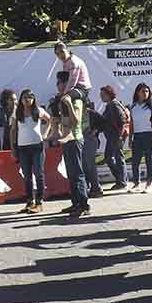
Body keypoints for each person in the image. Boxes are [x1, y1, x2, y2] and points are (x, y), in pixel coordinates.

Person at [49, 78, 89, 218]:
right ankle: (75, 203)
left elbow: (76, 120)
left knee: (77, 172)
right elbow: (59, 120)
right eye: (58, 83)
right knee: (71, 174)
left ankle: (84, 205)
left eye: (62, 83)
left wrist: (68, 104)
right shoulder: (59, 100)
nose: (60, 86)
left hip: (75, 138)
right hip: (66, 139)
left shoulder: (75, 99)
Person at [11, 89, 50, 213]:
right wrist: (13, 148)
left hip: (37, 146)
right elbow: (13, 131)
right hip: (23, 148)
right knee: (27, 176)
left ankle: (39, 202)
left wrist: (45, 134)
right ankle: (29, 201)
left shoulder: (38, 110)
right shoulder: (17, 113)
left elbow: (49, 120)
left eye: (30, 97)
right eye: (25, 97)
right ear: (21, 99)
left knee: (38, 174)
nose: (27, 99)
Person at [128, 83, 152, 193]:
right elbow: (131, 124)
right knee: (135, 162)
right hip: (137, 136)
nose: (145, 93)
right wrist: (130, 138)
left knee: (149, 160)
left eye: (147, 91)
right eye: (143, 91)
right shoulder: (133, 106)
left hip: (148, 135)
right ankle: (136, 184)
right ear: (137, 92)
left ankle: (149, 185)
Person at [54, 42, 92, 126]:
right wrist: (60, 93)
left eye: (62, 52)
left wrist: (64, 93)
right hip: (74, 88)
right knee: (55, 101)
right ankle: (56, 130)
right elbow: (65, 80)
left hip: (82, 89)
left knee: (65, 99)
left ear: (68, 50)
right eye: (57, 54)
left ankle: (68, 131)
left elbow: (72, 81)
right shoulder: (65, 62)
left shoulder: (73, 62)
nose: (60, 55)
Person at [98, 85, 128, 190]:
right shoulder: (109, 105)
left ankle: (122, 181)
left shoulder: (114, 105)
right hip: (111, 137)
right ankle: (120, 179)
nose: (101, 97)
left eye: (103, 95)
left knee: (119, 158)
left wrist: (120, 136)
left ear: (109, 94)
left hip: (116, 136)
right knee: (108, 157)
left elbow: (123, 121)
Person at [82, 99, 104, 198]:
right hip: (80, 139)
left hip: (90, 139)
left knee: (90, 164)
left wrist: (94, 131)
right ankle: (86, 187)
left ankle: (96, 188)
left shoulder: (91, 113)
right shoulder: (75, 113)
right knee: (83, 164)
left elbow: (103, 122)